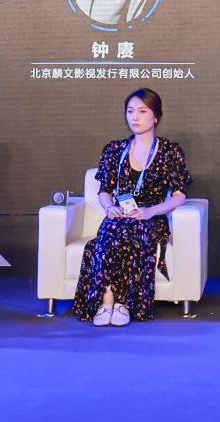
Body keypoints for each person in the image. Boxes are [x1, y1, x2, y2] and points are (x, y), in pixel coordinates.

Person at [73, 88, 192, 327]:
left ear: (156, 116)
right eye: (130, 111)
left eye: (142, 111)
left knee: (126, 231)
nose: (134, 117)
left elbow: (179, 197)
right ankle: (108, 303)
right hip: (119, 216)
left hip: (151, 219)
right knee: (114, 226)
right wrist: (109, 208)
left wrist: (151, 211)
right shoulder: (114, 149)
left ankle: (122, 304)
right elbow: (104, 191)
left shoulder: (170, 151)